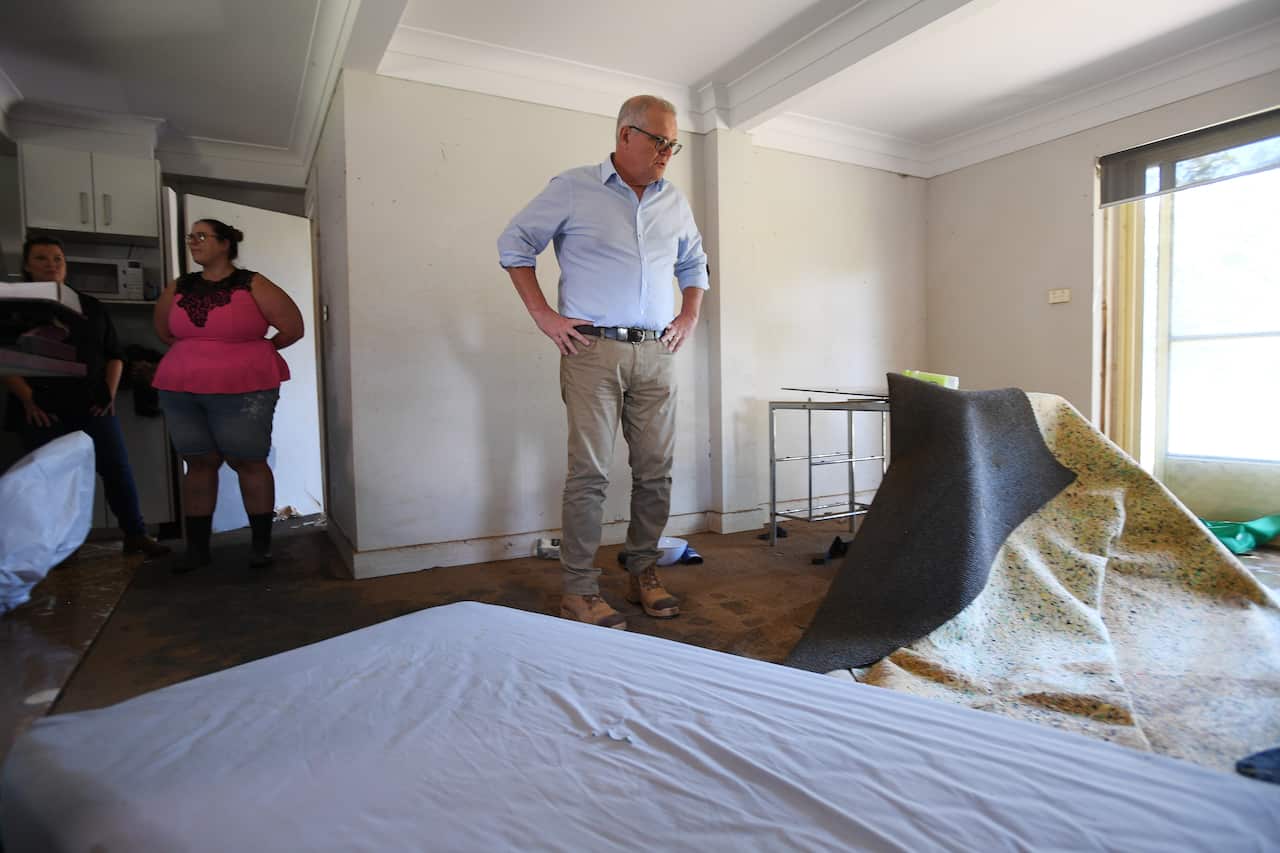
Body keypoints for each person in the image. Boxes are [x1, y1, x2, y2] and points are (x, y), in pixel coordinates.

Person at [498, 94, 708, 630]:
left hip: (657, 354)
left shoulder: (674, 202)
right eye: (658, 141)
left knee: (656, 470)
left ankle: (643, 570)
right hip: (591, 351)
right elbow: (515, 244)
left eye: (673, 144)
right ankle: (578, 590)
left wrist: (688, 315)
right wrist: (544, 314)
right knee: (589, 474)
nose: (666, 152)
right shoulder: (573, 187)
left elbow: (693, 262)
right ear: (625, 136)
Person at [3, 236, 170, 559]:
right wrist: (28, 399)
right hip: (42, 410)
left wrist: (109, 391)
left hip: (93, 405)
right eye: (41, 258)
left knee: (117, 469)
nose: (51, 264)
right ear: (27, 265)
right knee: (53, 481)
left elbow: (114, 355)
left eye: (57, 258)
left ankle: (135, 535)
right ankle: (61, 550)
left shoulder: (90, 306)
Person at [151, 219, 303, 573]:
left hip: (245, 386)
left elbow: (292, 328)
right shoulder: (179, 286)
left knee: (249, 461)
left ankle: (261, 547)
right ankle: (198, 550)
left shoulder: (253, 283)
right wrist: (201, 356)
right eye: (192, 236)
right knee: (199, 463)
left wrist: (255, 352)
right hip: (181, 387)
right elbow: (163, 331)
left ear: (224, 244)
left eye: (201, 236)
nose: (193, 241)